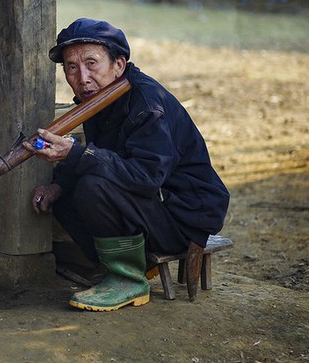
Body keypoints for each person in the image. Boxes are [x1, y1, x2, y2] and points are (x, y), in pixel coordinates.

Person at [23, 18, 230, 312]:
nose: (82, 77)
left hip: (185, 216)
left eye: (92, 63)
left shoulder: (147, 105)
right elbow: (106, 156)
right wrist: (57, 186)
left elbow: (146, 178)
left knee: (93, 186)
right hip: (154, 206)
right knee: (67, 192)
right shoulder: (100, 97)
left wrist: (76, 155)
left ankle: (128, 279)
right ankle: (120, 268)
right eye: (71, 67)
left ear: (118, 65)